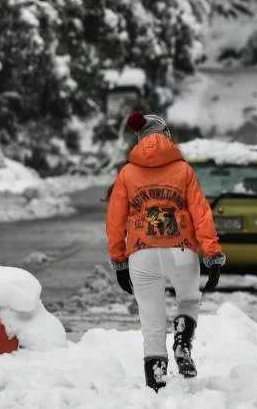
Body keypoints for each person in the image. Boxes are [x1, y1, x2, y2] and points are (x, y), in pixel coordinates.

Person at [105, 111, 225, 392]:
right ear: (166, 136)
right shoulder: (183, 170)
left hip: (141, 253)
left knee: (151, 317)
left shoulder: (127, 173)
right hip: (180, 248)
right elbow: (201, 214)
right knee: (188, 299)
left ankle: (156, 381)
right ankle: (183, 343)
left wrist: (119, 260)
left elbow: (115, 221)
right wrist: (212, 253)